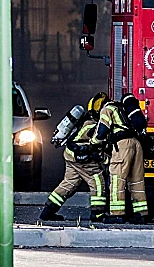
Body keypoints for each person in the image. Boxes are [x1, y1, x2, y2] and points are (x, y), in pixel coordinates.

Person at [38, 92, 109, 222]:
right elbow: (97, 141)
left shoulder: (85, 121)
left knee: (69, 184)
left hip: (70, 154)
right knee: (97, 181)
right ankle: (97, 214)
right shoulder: (94, 125)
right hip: (81, 157)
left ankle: (47, 212)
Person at [90, 95, 148, 223]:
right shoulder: (122, 108)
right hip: (136, 144)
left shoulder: (107, 109)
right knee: (136, 181)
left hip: (123, 145)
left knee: (117, 180)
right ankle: (141, 214)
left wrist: (93, 144)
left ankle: (117, 214)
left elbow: (101, 132)